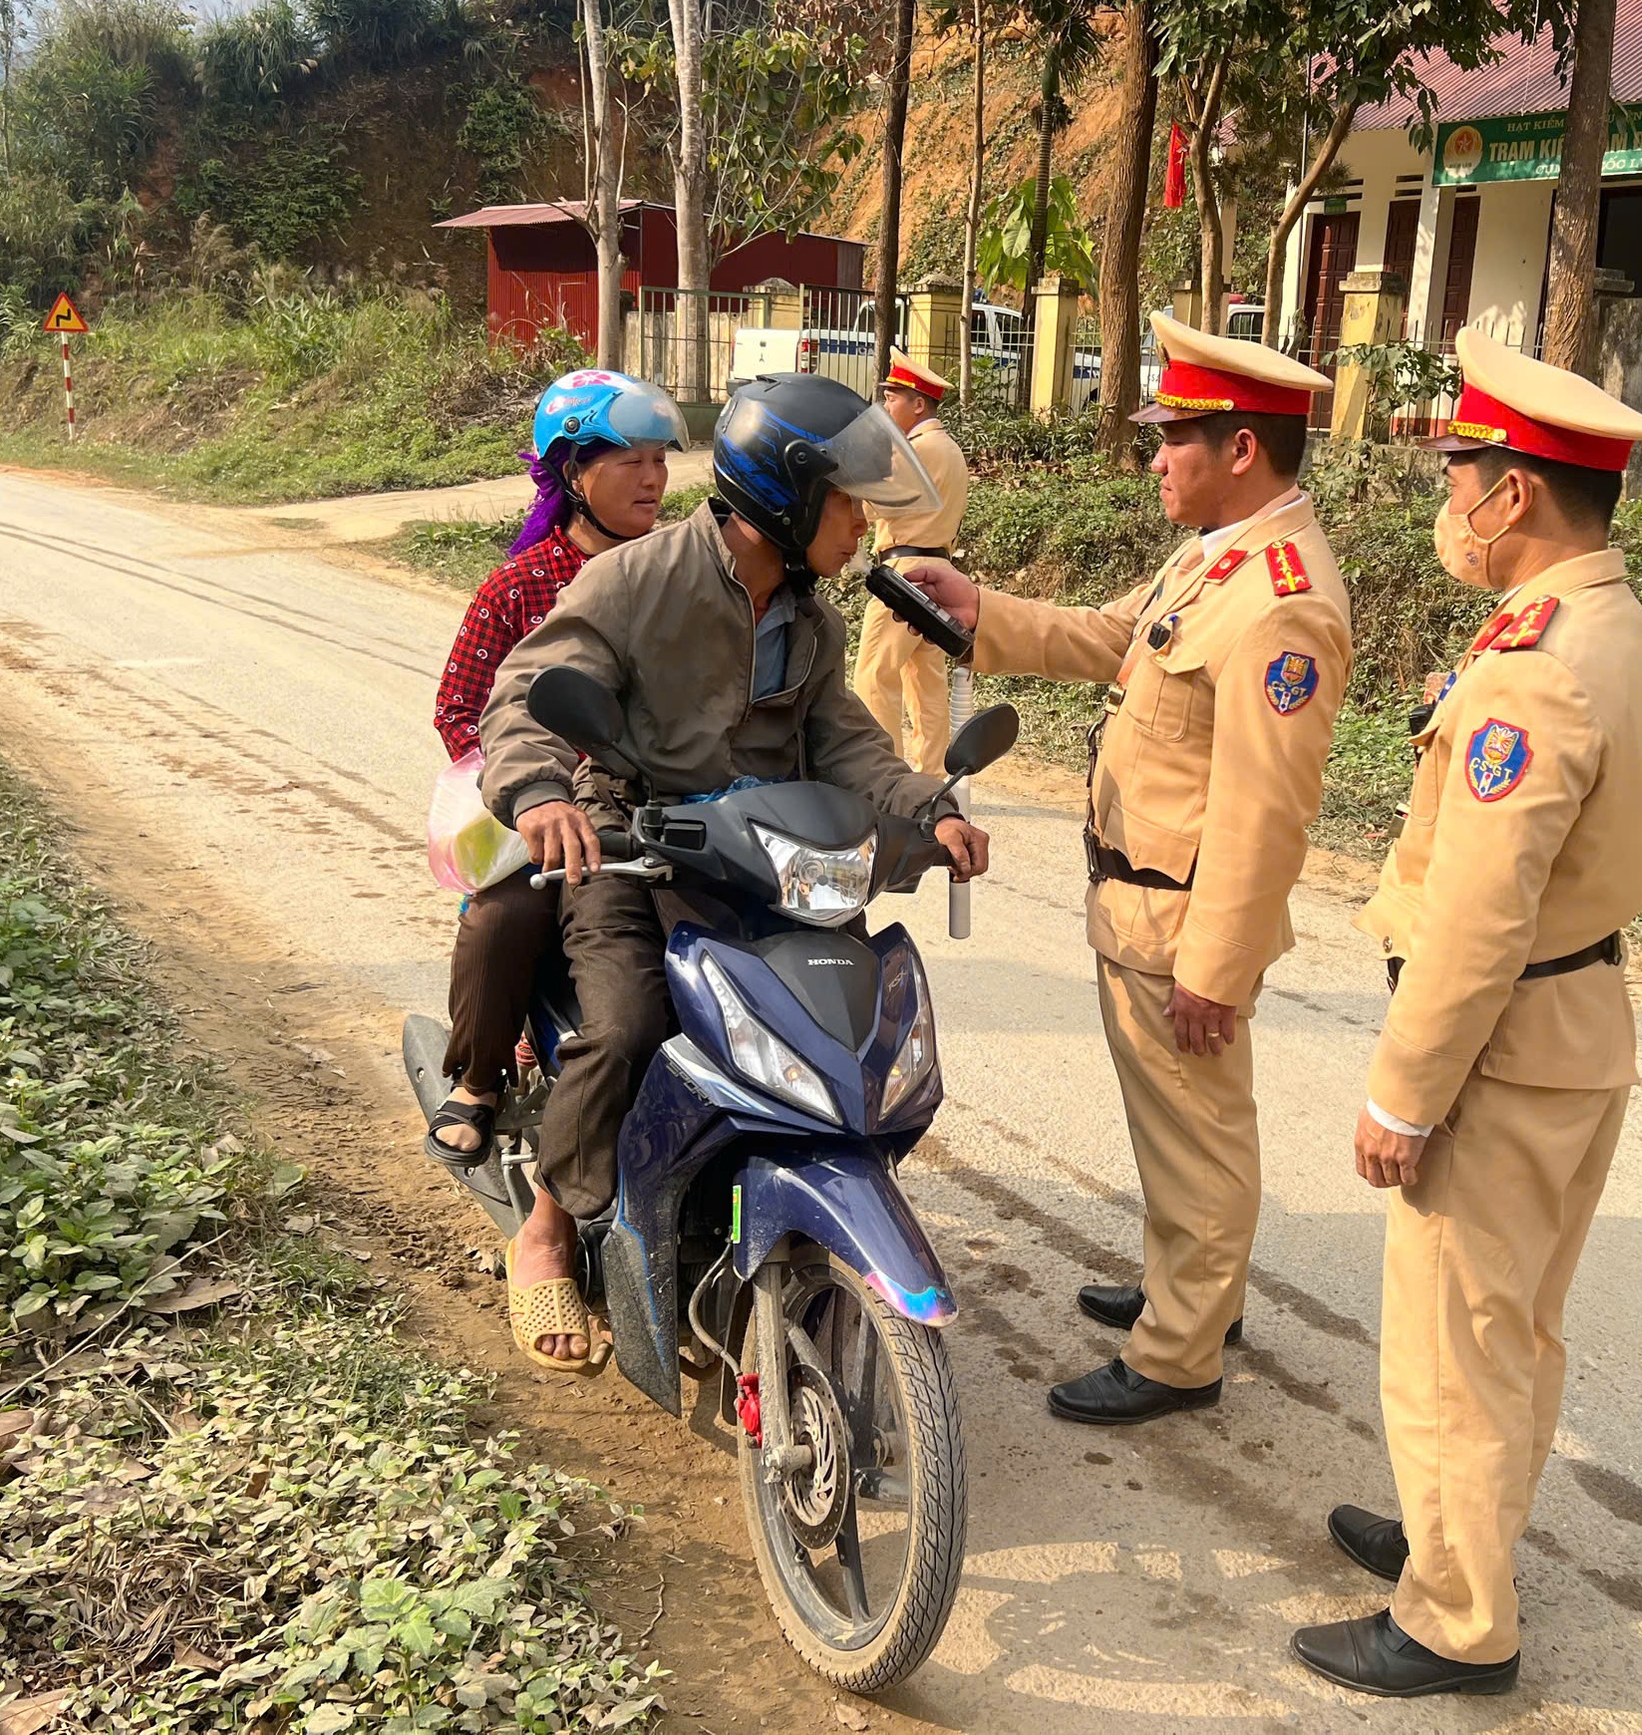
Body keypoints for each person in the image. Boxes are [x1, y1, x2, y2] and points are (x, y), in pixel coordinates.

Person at [1291, 328, 1642, 1699]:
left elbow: (1476, 916)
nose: (1446, 501)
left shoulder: (1536, 667)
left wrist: (1405, 1094)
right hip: (1581, 1030)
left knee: (1459, 1336)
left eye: (1459, 476)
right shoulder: (1611, 629)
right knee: (1512, 1325)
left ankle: (1458, 1619)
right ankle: (1458, 1531)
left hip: (1504, 1047)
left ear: (1514, 493)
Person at [477, 371, 991, 1372]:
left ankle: (770, 1220)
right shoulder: (638, 579)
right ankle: (544, 1223)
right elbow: (527, 693)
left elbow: (843, 744)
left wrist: (930, 807)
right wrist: (539, 792)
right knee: (627, 1026)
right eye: (846, 503)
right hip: (627, 842)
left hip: (763, 856)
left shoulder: (809, 616)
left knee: (848, 1037)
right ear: (789, 499)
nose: (860, 527)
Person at [903, 313, 1351, 1424]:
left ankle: (1180, 1353)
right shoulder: (1216, 555)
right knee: (1169, 1124)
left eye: (1174, 439)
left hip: (1182, 923)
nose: (1152, 458)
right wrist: (980, 614)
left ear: (1240, 449)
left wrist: (1219, 963)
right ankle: (1186, 1288)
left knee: (1199, 1135)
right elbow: (1117, 640)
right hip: (1137, 899)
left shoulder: (1282, 596)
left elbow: (1267, 809)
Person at [425, 370, 680, 1181]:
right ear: (574, 473)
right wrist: (539, 790)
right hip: (544, 818)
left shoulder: (680, 571)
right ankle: (477, 1080)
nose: (653, 479)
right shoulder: (518, 586)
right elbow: (461, 710)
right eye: (631, 461)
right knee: (502, 924)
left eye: (660, 461)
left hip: (657, 813)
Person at [850, 352, 971, 772]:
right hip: (939, 568)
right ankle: (933, 773)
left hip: (904, 572)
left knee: (875, 675)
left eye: (893, 397)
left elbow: (869, 507)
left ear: (919, 404)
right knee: (925, 680)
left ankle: (882, 770)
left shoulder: (915, 449)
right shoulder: (949, 448)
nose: (886, 405)